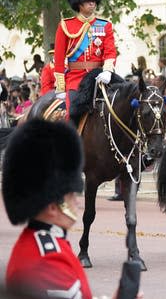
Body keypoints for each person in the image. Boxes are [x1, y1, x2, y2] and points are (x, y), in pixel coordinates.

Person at [2, 119, 142, 298]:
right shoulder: (50, 259)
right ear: (52, 206)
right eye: (71, 195)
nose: (77, 202)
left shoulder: (41, 244)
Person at [54, 0, 116, 122]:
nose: (92, 2)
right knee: (71, 116)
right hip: (75, 81)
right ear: (78, 0)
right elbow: (59, 59)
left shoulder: (105, 25)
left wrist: (108, 71)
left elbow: (110, 52)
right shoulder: (66, 26)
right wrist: (60, 87)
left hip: (99, 78)